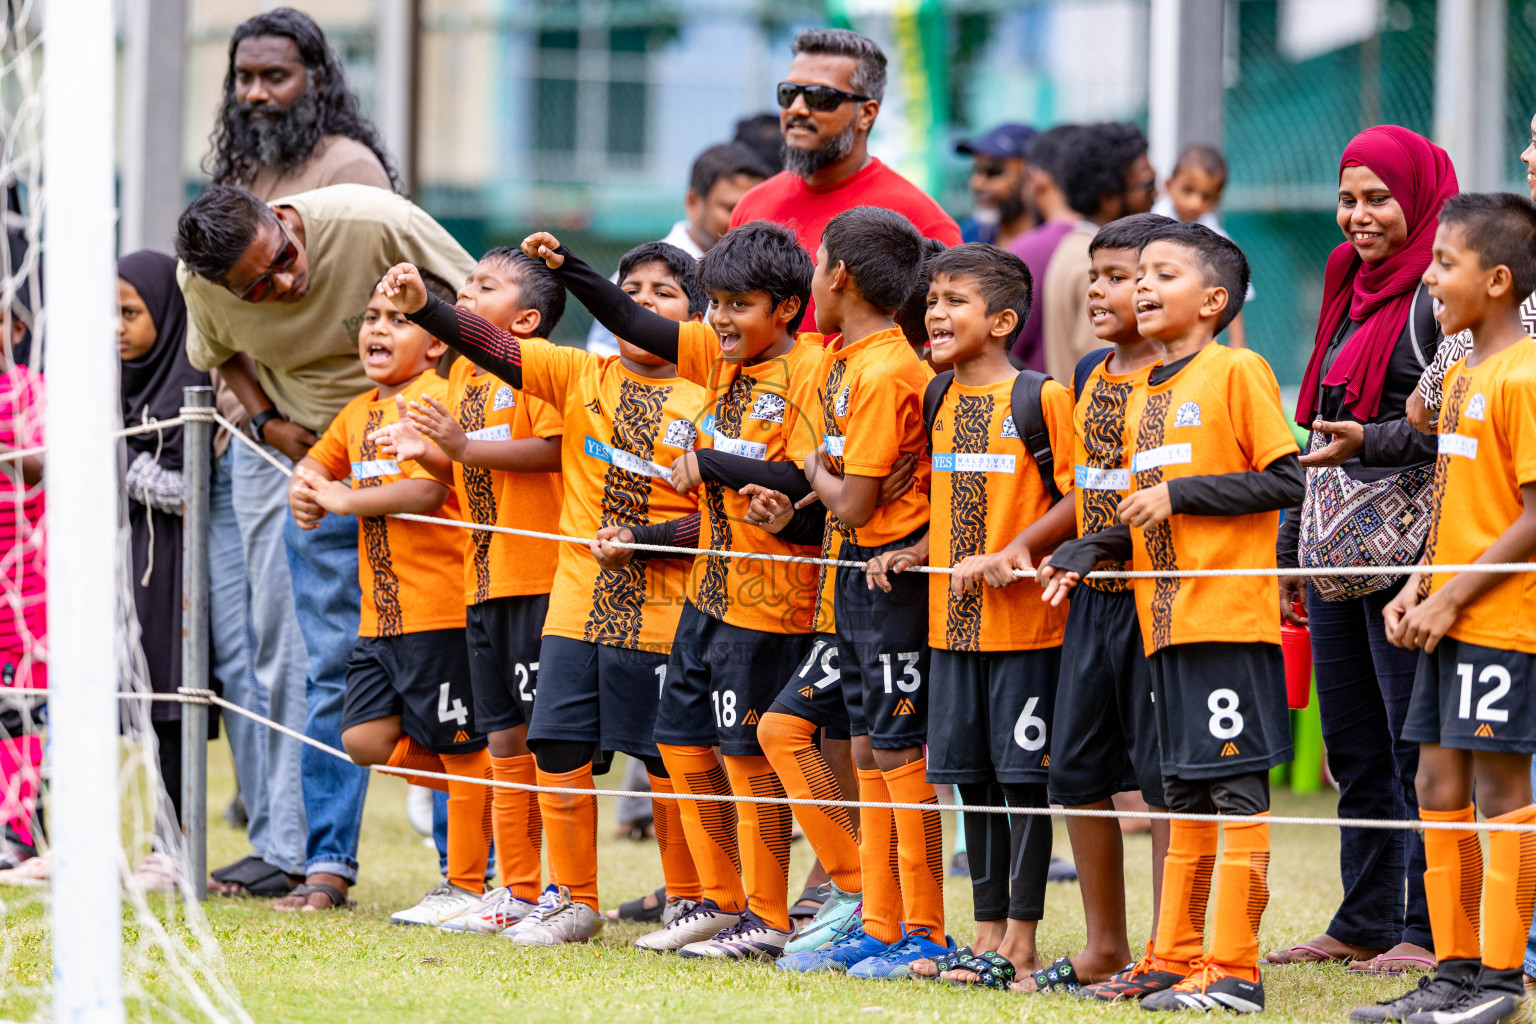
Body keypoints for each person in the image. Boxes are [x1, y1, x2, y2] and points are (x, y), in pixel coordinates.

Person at [379, 242, 709, 946]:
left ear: (694, 319)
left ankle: (692, 901)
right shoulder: (579, 372)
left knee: (667, 760)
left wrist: (649, 538)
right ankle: (571, 898)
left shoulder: (708, 395)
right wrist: (425, 309)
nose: (644, 302)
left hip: (664, 615)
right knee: (553, 746)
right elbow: (495, 343)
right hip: (574, 604)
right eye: (633, 289)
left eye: (665, 293)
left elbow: (720, 520)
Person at [524, 222, 826, 958]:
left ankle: (775, 909)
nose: (719, 317)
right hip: (700, 603)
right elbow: (619, 321)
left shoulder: (803, 369)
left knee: (746, 756)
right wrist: (565, 267)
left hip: (761, 601)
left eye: (732, 303)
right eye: (714, 302)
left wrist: (700, 480)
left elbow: (807, 483)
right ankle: (702, 904)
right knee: (671, 745)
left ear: (787, 308)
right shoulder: (712, 362)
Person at [175, 183, 475, 911]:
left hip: (434, 499)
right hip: (322, 453)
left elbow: (484, 310)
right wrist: (277, 433)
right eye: (259, 288)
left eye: (282, 259)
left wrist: (456, 430)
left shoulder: (376, 221)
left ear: (282, 220)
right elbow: (215, 351)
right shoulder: (206, 287)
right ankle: (325, 864)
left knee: (450, 701)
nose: (285, 282)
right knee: (328, 678)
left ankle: (464, 873)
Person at [1041, 223, 1301, 1013]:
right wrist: (1093, 548)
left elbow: (1282, 479)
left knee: (1231, 790)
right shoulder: (1146, 391)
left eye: (1163, 273)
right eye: (1137, 274)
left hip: (1225, 620)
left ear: (1214, 300)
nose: (1141, 286)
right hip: (1162, 625)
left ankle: (1236, 971)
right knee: (1181, 791)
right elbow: (1151, 511)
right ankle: (1174, 957)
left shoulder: (1237, 368)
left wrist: (1180, 496)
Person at [198, 5, 398, 900]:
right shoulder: (234, 174)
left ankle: (306, 850)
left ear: (315, 77)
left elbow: (426, 299)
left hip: (345, 453)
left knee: (311, 650)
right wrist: (265, 423)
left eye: (274, 76)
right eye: (245, 76)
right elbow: (219, 337)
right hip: (265, 439)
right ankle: (276, 832)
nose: (256, 93)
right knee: (254, 649)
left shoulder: (349, 177)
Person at [1268, 126, 1455, 977]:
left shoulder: (1441, 297)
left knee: (1416, 746)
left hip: (1413, 560)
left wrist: (1369, 443)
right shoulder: (1347, 283)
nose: (1359, 216)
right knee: (1354, 747)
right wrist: (1289, 546)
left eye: (1379, 198)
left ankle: (1427, 924)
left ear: (1419, 198)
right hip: (1332, 549)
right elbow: (1316, 423)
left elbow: (1461, 431)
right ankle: (1364, 917)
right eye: (1348, 198)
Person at [749, 206, 945, 980]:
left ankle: (919, 934)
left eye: (816, 258)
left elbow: (858, 502)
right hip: (853, 582)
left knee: (893, 752)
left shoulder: (885, 367)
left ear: (839, 276)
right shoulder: (839, 357)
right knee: (842, 741)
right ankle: (873, 912)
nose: (810, 274)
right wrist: (798, 502)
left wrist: (808, 468)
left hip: (894, 580)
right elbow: (840, 489)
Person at [1354, 192, 1536, 1024]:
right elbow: (1454, 498)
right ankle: (1452, 972)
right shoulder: (1460, 371)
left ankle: (1498, 982)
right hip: (1446, 614)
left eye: (1445, 263)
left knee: (1502, 794)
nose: (1429, 279)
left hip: (1504, 620)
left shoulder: (1525, 375)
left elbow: (1533, 515)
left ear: (1497, 280)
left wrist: (1455, 594)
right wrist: (1415, 587)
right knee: (1433, 777)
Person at [986, 214, 1174, 997]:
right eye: (1094, 275)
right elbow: (1084, 490)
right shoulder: (1090, 376)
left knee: (1168, 783)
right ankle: (1104, 947)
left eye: (1120, 276)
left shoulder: (1193, 376)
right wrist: (1029, 542)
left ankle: (1173, 948)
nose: (1099, 289)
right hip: (1088, 602)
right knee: (1079, 772)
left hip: (1160, 601)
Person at [888, 243, 1076, 988]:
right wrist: (911, 549)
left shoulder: (1042, 398)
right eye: (933, 299)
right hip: (950, 629)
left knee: (1022, 782)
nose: (935, 313)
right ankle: (985, 932)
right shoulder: (938, 398)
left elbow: (1076, 501)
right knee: (972, 784)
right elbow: (954, 506)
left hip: (1026, 631)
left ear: (1000, 320)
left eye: (954, 301)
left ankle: (1021, 944)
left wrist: (1015, 552)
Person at [370, 249, 568, 935]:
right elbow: (458, 476)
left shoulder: (540, 367)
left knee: (546, 744)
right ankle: (511, 890)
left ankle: (565, 891)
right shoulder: (460, 378)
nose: (466, 292)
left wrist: (460, 448)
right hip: (481, 584)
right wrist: (425, 449)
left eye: (485, 286)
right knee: (502, 739)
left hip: (538, 578)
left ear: (527, 318)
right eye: (465, 284)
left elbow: (554, 450)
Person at [288, 279, 493, 923]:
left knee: (462, 747)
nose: (378, 329)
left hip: (441, 615)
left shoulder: (436, 402)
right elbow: (316, 466)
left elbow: (429, 492)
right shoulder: (355, 413)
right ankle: (478, 782)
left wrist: (344, 499)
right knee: (363, 738)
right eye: (371, 316)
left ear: (435, 342)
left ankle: (468, 881)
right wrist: (307, 487)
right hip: (380, 618)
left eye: (398, 320)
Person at [728, 28, 962, 328]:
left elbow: (948, 347)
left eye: (820, 98)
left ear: (866, 113)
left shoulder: (922, 221)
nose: (797, 109)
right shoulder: (752, 205)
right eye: (788, 94)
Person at [116, 251, 213, 842]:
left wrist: (116, 458)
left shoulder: (189, 381)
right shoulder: (115, 383)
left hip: (172, 568)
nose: (116, 328)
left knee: (170, 703)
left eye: (129, 313)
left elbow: (187, 489)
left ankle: (173, 842)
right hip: (120, 566)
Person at [587, 142, 773, 355]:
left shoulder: (760, 274)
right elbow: (604, 356)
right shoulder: (642, 273)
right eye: (731, 208)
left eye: (754, 209)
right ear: (693, 202)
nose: (744, 219)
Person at [1039, 123, 1158, 384]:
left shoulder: (1074, 247)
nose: (1156, 195)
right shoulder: (1096, 261)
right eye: (1147, 186)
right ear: (1107, 196)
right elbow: (1110, 366)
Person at [0, 294, 43, 869]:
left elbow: (43, 461)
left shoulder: (30, 390)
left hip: (21, 583)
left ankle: (17, 829)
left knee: (18, 712)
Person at [1152, 144, 1250, 349]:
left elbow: (1234, 293)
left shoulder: (1217, 240)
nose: (1195, 203)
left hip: (1193, 339)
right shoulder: (1149, 224)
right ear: (1168, 185)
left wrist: (1238, 344)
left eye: (1206, 196)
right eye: (1188, 190)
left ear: (1217, 199)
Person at [1006, 124, 1081, 371]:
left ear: (1038, 178)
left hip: (1039, 403)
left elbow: (1004, 347)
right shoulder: (1111, 244)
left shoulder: (1028, 251)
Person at [956, 124, 1037, 248]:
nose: (976, 183)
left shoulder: (1057, 243)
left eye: (993, 170)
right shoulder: (972, 234)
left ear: (1032, 176)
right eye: (975, 170)